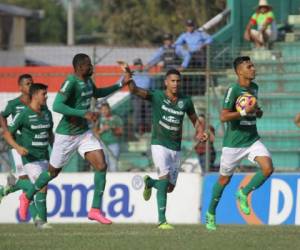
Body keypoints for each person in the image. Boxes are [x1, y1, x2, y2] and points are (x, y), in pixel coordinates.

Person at [18, 53, 131, 223]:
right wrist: (83, 113)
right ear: (79, 67)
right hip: (66, 135)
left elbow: (98, 92)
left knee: (101, 165)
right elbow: (57, 105)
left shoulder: (87, 81)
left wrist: (121, 83)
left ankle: (95, 210)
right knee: (52, 173)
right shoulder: (71, 81)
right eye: (88, 65)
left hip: (83, 133)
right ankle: (27, 197)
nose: (91, 67)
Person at [128, 68, 207, 229]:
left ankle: (150, 183)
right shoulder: (157, 96)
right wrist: (128, 77)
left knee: (169, 187)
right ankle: (162, 221)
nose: (175, 84)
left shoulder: (185, 101)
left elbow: (195, 120)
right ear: (166, 82)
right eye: (172, 81)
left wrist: (200, 132)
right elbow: (134, 90)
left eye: (178, 81)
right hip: (159, 144)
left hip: (175, 148)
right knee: (164, 180)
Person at [205, 56, 274, 231]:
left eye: (253, 66)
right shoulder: (233, 90)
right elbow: (223, 116)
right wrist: (244, 112)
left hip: (252, 139)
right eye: (249, 66)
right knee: (224, 179)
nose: (253, 69)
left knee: (267, 168)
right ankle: (211, 213)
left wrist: (256, 112)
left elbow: (253, 110)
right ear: (239, 71)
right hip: (234, 144)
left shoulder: (255, 88)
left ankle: (243, 192)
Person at [2, 83, 53, 229]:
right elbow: (7, 133)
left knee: (42, 188)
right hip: (29, 158)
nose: (46, 96)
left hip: (44, 155)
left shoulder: (47, 113)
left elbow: (50, 134)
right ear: (35, 95)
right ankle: (41, 222)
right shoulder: (24, 114)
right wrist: (17, 147)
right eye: (44, 94)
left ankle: (13, 186)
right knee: (41, 187)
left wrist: (55, 149)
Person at [0, 74, 34, 201]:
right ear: (20, 87)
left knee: (34, 178)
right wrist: (6, 130)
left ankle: (5, 189)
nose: (31, 86)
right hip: (17, 146)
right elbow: (2, 116)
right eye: (28, 84)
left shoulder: (37, 102)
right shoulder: (14, 104)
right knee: (25, 178)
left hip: (33, 147)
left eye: (32, 83)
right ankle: (37, 218)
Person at [94, 102, 123, 172]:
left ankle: (114, 181)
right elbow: (95, 133)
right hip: (102, 145)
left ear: (109, 109)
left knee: (113, 165)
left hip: (113, 144)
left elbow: (120, 132)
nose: (104, 111)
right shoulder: (99, 120)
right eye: (102, 109)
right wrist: (101, 130)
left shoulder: (116, 118)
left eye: (105, 109)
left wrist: (111, 128)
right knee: (103, 165)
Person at [131, 58, 152, 135]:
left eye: (139, 64)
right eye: (136, 65)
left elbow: (150, 85)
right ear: (134, 66)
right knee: (137, 110)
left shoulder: (147, 74)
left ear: (142, 65)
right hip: (136, 94)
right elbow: (121, 81)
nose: (138, 66)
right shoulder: (132, 74)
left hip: (146, 93)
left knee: (148, 110)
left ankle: (148, 127)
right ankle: (138, 128)